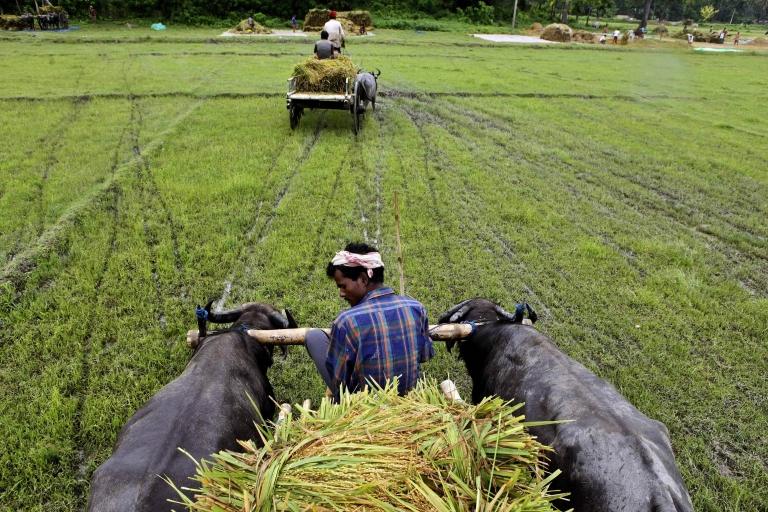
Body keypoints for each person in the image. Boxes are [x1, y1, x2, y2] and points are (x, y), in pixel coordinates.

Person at [305, 243, 434, 401]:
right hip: (407, 399)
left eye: (343, 286)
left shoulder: (347, 322)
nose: (341, 294)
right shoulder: (417, 308)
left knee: (313, 338)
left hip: (365, 406)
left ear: (363, 279)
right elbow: (425, 355)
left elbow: (340, 381)